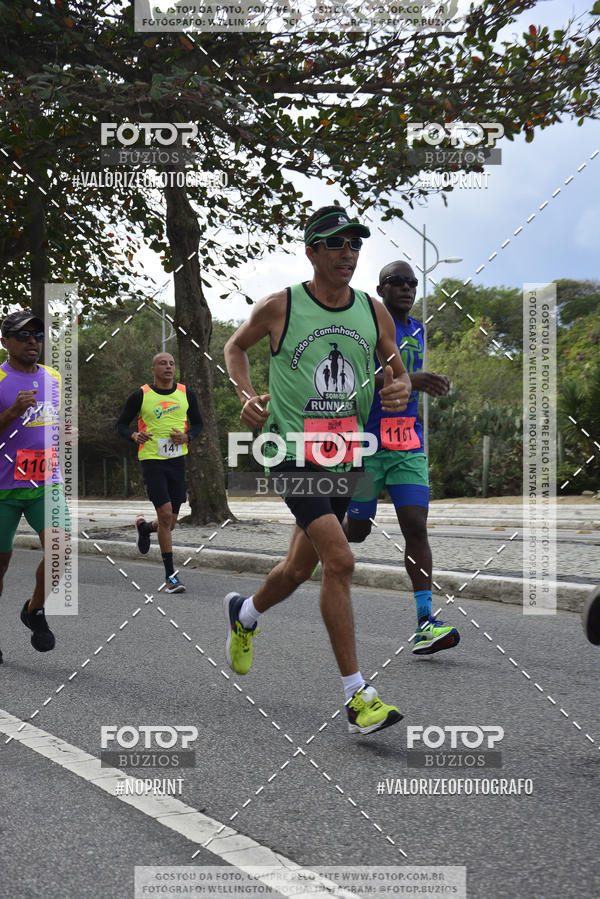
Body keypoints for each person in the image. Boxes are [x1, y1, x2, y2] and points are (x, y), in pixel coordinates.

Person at [224, 205, 412, 735]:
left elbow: (394, 368)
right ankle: (358, 696)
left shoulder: (374, 311)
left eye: (355, 244)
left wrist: (399, 387)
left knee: (296, 571)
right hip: (289, 453)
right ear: (312, 251)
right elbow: (235, 346)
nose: (347, 254)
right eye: (336, 245)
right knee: (341, 560)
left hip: (343, 455)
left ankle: (245, 614)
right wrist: (244, 394)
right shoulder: (282, 306)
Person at [344, 260, 460, 655]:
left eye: (412, 283)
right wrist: (410, 379)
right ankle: (314, 534)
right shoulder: (364, 328)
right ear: (381, 289)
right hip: (365, 443)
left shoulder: (418, 329)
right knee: (357, 532)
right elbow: (352, 383)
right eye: (397, 282)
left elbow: (406, 381)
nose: (407, 288)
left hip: (407, 441)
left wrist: (424, 382)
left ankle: (425, 621)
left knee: (415, 524)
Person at [0, 310, 71, 661]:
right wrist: (12, 413)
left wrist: (64, 434)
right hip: (3, 487)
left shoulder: (53, 377)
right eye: (24, 335)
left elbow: (52, 425)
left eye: (38, 336)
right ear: (5, 342)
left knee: (61, 550)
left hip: (46, 481)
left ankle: (34, 609)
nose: (33, 341)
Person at [116, 352, 203, 594]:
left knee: (170, 522)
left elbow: (198, 424)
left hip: (177, 461)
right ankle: (171, 577)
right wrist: (134, 435)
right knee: (165, 515)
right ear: (153, 369)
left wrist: (188, 436)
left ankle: (145, 528)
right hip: (152, 461)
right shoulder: (141, 395)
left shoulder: (187, 393)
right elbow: (121, 425)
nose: (168, 367)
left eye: (172, 363)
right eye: (163, 363)